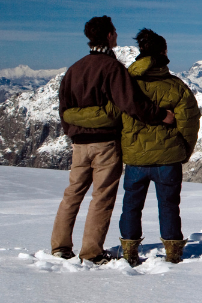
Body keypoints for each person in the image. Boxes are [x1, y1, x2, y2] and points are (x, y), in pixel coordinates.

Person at [53, 16, 175, 264]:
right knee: (102, 196)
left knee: (72, 194)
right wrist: (162, 115)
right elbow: (131, 103)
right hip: (106, 143)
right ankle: (91, 252)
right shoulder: (112, 68)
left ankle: (60, 247)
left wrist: (73, 131)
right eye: (115, 31)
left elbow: (63, 108)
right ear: (109, 36)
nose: (117, 35)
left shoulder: (74, 69)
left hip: (79, 144)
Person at [116, 29, 199, 266]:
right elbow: (189, 122)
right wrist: (182, 150)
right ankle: (173, 252)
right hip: (168, 160)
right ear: (163, 52)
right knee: (169, 206)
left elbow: (115, 117)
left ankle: (130, 250)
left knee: (131, 205)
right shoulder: (176, 87)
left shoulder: (126, 84)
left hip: (135, 159)